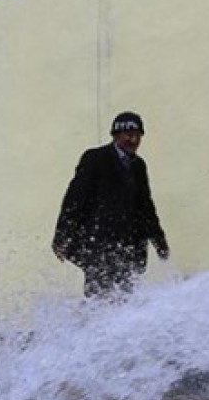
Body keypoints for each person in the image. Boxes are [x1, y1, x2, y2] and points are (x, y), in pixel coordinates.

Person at [52, 111, 170, 298]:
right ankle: (95, 326)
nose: (133, 140)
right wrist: (62, 235)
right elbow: (75, 198)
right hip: (100, 244)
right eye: (128, 135)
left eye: (137, 135)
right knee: (100, 296)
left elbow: (146, 207)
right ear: (116, 136)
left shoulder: (139, 166)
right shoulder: (95, 159)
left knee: (126, 297)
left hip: (130, 247)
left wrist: (159, 241)